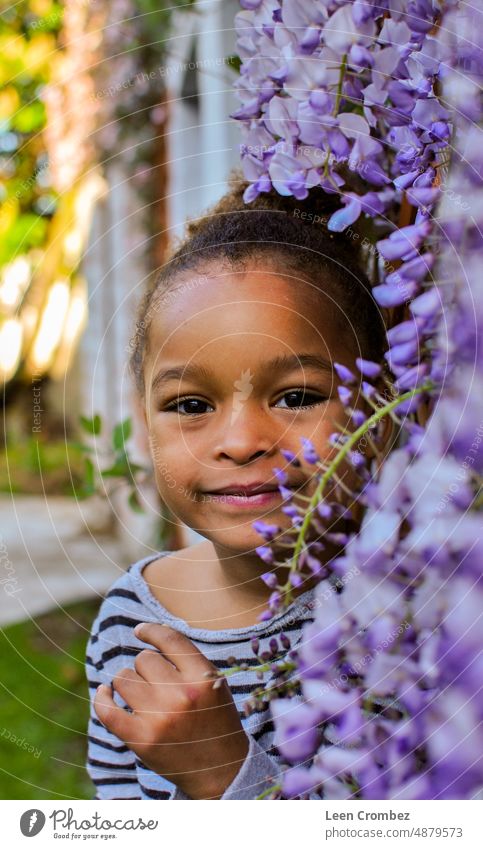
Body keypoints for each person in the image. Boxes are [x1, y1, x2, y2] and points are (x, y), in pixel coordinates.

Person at [84, 171, 394, 800]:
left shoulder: (405, 607)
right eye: (191, 404)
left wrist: (225, 777)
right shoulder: (130, 619)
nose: (243, 439)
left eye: (299, 396)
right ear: (143, 418)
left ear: (382, 404)